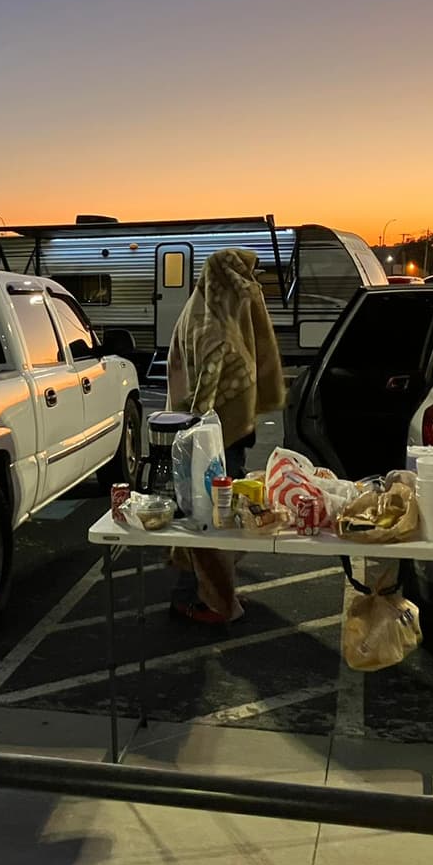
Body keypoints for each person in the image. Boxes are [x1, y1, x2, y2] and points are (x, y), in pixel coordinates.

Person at [166, 247, 285, 624]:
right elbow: (206, 397)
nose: (249, 286)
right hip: (215, 443)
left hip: (210, 437)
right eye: (243, 278)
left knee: (214, 520)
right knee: (212, 523)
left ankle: (215, 593)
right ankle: (198, 600)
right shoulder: (215, 325)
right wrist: (203, 440)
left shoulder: (203, 310)